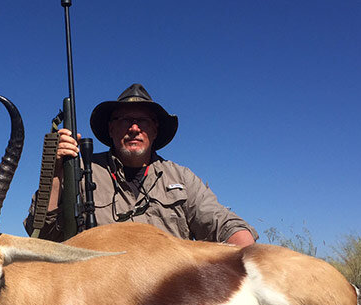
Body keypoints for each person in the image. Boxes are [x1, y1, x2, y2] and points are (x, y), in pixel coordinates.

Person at [25, 83, 258, 246]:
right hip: (99, 298)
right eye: (125, 120)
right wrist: (56, 173)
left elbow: (223, 224)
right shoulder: (81, 172)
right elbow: (41, 235)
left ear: (155, 130)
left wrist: (252, 259)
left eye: (143, 121)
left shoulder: (181, 177)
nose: (134, 128)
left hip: (168, 299)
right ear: (111, 128)